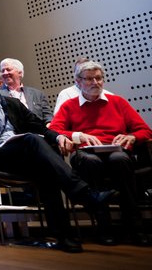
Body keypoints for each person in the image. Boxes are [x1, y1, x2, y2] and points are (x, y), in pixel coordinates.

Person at [0, 65, 115, 253]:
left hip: (23, 156)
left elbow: (38, 125)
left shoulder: (13, 104)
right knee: (32, 140)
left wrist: (58, 137)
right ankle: (84, 194)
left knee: (47, 172)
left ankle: (65, 237)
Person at [49, 60, 152, 245]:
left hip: (116, 150)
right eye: (89, 79)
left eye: (98, 78)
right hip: (86, 152)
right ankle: (103, 226)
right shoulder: (70, 105)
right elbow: (53, 130)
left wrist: (132, 137)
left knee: (120, 159)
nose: (95, 83)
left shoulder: (118, 102)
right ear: (78, 81)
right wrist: (78, 135)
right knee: (91, 162)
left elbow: (144, 130)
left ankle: (134, 226)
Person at [0, 58, 53, 124]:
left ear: (20, 73)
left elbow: (48, 117)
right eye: (2, 70)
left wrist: (49, 125)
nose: (5, 73)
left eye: (8, 69)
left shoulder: (37, 94)